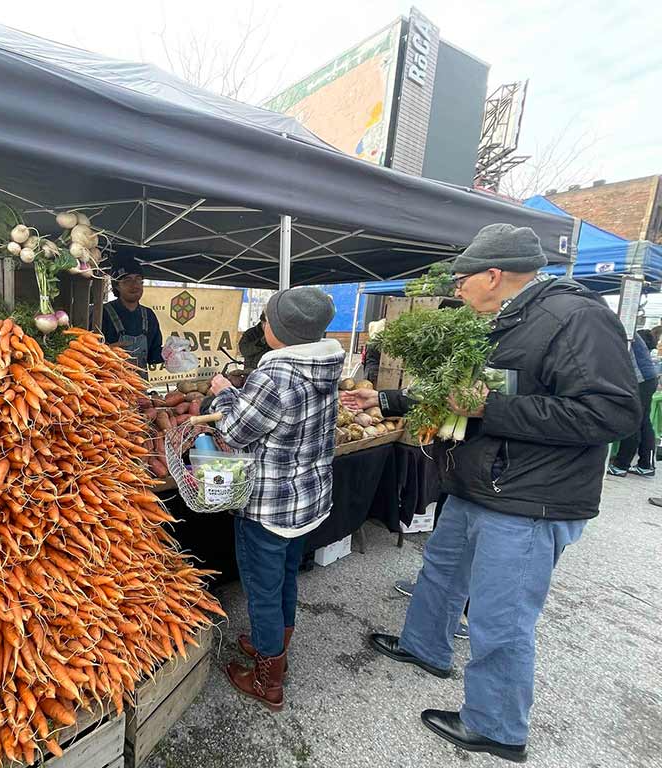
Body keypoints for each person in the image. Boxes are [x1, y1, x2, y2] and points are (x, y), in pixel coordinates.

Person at [341, 224, 639, 762]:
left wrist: (489, 410)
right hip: (484, 482)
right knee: (442, 571)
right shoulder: (502, 319)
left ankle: (498, 726)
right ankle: (425, 648)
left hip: (530, 497)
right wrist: (388, 400)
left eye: (461, 279)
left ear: (494, 275)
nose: (456, 288)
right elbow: (468, 393)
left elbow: (612, 412)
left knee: (501, 617)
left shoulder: (576, 317)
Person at [208, 286, 343, 712]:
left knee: (263, 590)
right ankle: (275, 646)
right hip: (304, 503)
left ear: (281, 330)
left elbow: (232, 432)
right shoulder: (326, 367)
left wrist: (224, 392)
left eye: (267, 320)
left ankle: (269, 680)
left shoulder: (276, 376)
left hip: (267, 507)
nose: (262, 326)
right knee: (284, 577)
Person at [100, 258, 164, 379]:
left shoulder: (149, 315)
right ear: (117, 286)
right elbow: (90, 355)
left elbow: (153, 356)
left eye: (138, 280)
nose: (134, 285)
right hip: (109, 388)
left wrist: (170, 354)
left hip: (140, 388)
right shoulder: (103, 313)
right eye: (127, 280)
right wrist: (107, 351)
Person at [608, 329, 658, 477]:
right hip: (648, 379)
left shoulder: (622, 329)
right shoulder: (626, 327)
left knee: (632, 419)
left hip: (640, 380)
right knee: (643, 421)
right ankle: (645, 465)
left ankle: (621, 465)